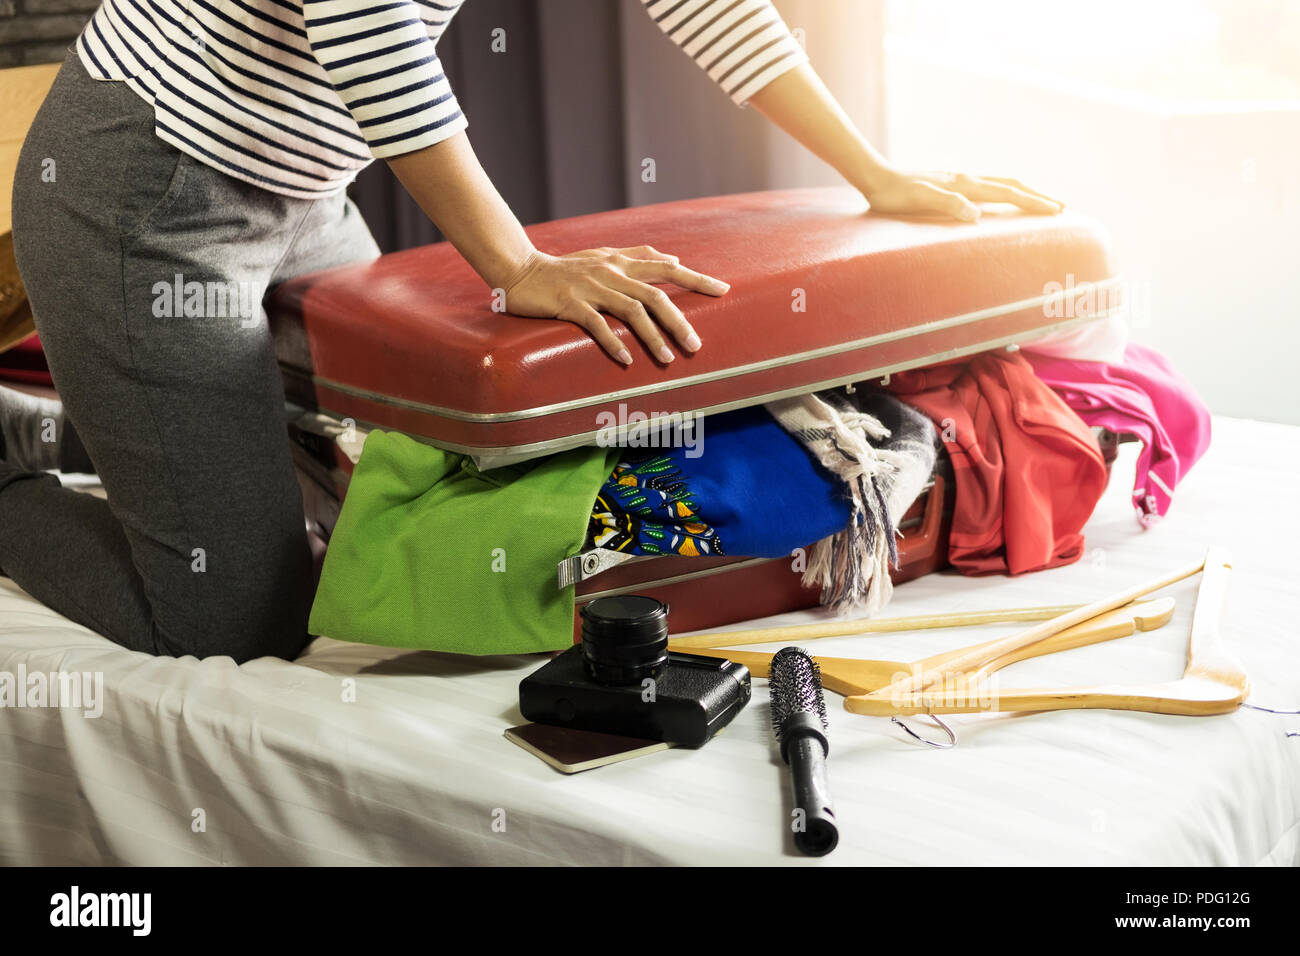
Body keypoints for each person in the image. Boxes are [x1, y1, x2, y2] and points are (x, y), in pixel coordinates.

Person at [3, 0, 1062, 662]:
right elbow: (368, 32)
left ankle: (57, 426)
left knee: (377, 483)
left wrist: (871, 171)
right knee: (233, 621)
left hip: (302, 198)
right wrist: (515, 266)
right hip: (152, 198)